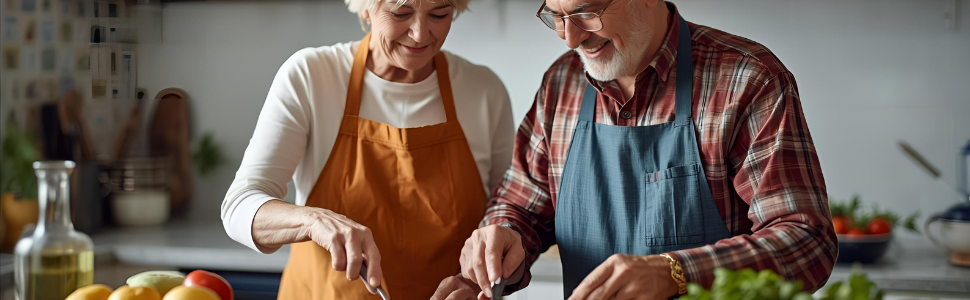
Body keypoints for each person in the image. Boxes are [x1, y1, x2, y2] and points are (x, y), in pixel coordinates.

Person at [432, 0, 837, 299]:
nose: (570, 38)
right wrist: (498, 245)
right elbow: (522, 208)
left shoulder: (747, 79)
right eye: (554, 16)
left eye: (586, 12)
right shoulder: (562, 83)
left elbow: (806, 240)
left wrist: (676, 272)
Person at [220, 0, 514, 298]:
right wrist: (313, 220)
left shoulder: (484, 91)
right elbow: (239, 206)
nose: (420, 34)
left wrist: (476, 282)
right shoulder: (312, 76)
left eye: (439, 14)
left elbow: (509, 219)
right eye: (400, 13)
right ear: (365, 7)